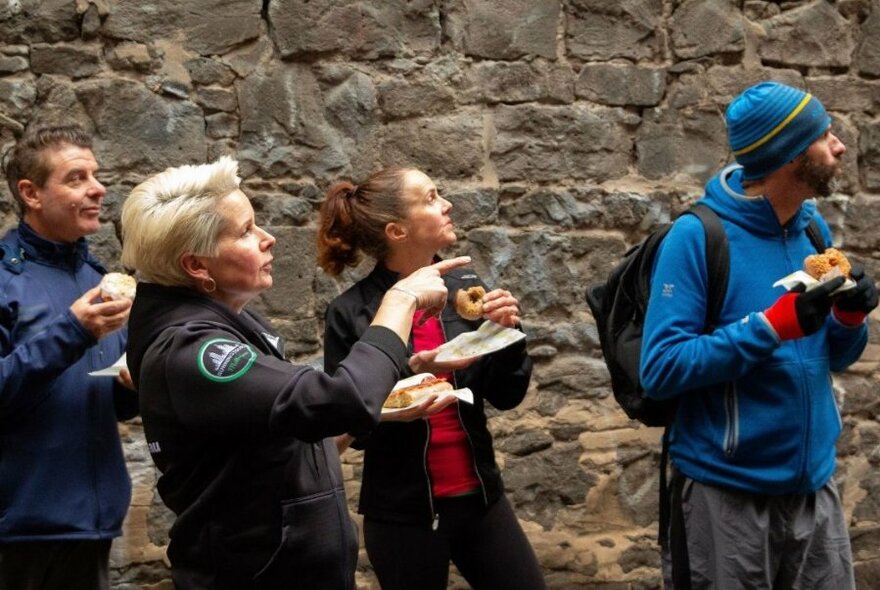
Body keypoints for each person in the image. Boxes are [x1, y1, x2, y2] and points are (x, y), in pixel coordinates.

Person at [119, 156, 466, 590]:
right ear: (196, 266)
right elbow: (343, 399)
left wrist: (388, 401)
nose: (268, 238)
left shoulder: (233, 323)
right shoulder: (194, 351)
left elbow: (290, 438)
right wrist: (400, 300)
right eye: (245, 231)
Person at [640, 81, 878, 589]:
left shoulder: (813, 232)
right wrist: (770, 326)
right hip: (727, 496)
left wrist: (851, 319)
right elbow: (660, 368)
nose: (839, 145)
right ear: (790, 154)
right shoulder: (697, 237)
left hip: (815, 489)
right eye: (824, 135)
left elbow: (831, 355)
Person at [317, 167, 547, 590]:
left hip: (480, 501)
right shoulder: (352, 312)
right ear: (397, 230)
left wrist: (508, 334)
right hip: (403, 515)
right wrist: (412, 373)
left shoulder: (468, 289)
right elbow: (350, 424)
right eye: (431, 198)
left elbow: (507, 395)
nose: (447, 205)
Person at [0, 125, 136, 590]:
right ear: (31, 193)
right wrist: (72, 330)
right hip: (17, 526)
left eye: (95, 175)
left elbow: (106, 400)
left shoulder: (99, 278)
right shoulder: (2, 278)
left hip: (93, 519)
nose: (98, 188)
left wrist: (134, 388)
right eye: (76, 178)